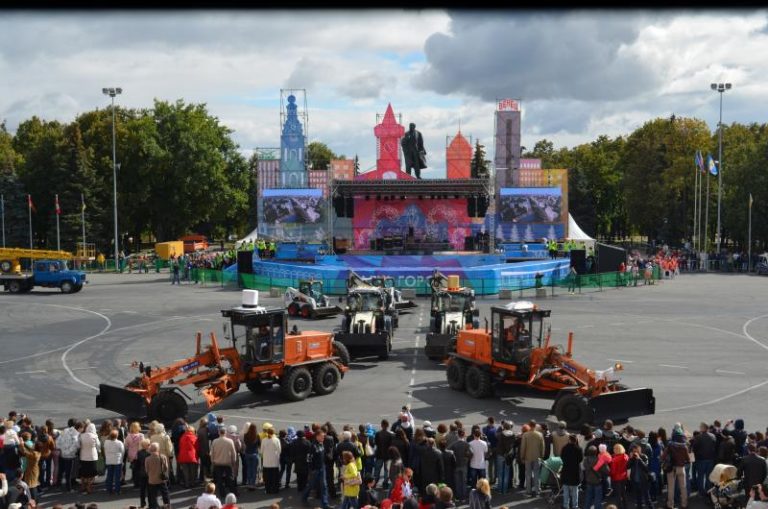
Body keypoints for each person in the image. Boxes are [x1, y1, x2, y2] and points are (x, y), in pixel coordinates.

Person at [302, 429, 331, 509]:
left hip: (322, 468)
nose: (323, 438)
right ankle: (304, 497)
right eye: (322, 436)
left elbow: (323, 455)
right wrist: (312, 469)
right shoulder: (312, 446)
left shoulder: (322, 444)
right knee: (311, 485)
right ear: (317, 436)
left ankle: (325, 504)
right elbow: (308, 459)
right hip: (315, 470)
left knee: (324, 486)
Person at [661, 428, 689, 509]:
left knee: (671, 488)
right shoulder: (684, 446)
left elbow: (663, 457)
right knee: (683, 487)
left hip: (671, 468)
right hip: (681, 468)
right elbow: (688, 459)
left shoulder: (670, 445)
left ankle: (670, 505)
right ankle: (684, 504)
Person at [211, 425, 237, 500]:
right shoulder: (230, 441)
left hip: (218, 463)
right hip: (227, 462)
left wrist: (212, 461)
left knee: (219, 479)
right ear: (225, 433)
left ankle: (222, 493)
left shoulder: (215, 441)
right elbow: (233, 453)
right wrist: (233, 461)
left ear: (219, 433)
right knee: (230, 478)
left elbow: (212, 453)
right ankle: (233, 492)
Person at [520, 422, 545, 497]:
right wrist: (542, 456)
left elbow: (523, 447)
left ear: (529, 425)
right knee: (537, 474)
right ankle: (537, 491)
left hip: (528, 457)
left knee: (528, 474)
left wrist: (522, 456)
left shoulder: (525, 435)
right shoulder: (540, 435)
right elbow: (542, 447)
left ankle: (528, 491)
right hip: (537, 457)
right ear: (535, 425)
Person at [145, 442, 171, 509]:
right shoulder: (162, 457)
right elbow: (166, 468)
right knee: (165, 493)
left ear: (150, 449)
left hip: (152, 480)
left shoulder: (147, 459)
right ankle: (167, 506)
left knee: (153, 495)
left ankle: (155, 507)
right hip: (161, 479)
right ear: (158, 449)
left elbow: (146, 470)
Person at [560, 434, 582, 509]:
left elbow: (562, 457)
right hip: (575, 472)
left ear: (569, 439)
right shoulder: (578, 449)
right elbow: (580, 459)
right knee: (575, 491)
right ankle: (575, 506)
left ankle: (565, 505)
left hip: (566, 471)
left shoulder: (565, 448)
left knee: (566, 491)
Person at [78, 422, 99, 495]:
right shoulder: (95, 436)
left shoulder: (81, 436)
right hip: (92, 457)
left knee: (84, 473)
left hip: (83, 456)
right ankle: (89, 487)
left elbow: (79, 445)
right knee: (92, 474)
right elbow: (98, 446)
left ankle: (83, 486)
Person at [103, 429, 125, 495]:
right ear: (117, 436)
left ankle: (109, 489)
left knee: (109, 475)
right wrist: (122, 459)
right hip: (117, 461)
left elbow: (104, 450)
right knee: (117, 477)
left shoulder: (106, 442)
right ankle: (117, 490)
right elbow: (123, 451)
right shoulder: (119, 443)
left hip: (109, 460)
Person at [260, 426, 281, 494]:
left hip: (266, 462)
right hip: (274, 462)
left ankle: (268, 490)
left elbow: (261, 451)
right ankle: (275, 490)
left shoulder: (264, 440)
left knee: (267, 478)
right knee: (275, 477)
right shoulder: (276, 440)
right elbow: (279, 450)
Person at [374, 419, 394, 489]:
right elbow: (392, 445)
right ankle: (385, 483)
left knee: (377, 470)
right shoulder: (391, 434)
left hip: (379, 454)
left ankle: (375, 482)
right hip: (387, 456)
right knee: (386, 470)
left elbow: (375, 443)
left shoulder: (378, 433)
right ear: (388, 425)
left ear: (381, 425)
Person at [178, 424, 199, 489]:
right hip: (192, 456)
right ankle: (192, 483)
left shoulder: (182, 437)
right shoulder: (194, 437)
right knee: (193, 470)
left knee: (185, 471)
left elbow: (180, 446)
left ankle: (187, 484)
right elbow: (197, 447)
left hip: (183, 456)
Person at [609, 443, 629, 509]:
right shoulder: (626, 456)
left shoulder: (615, 460)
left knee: (618, 495)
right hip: (624, 476)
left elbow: (613, 471)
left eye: (614, 448)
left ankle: (619, 507)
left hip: (616, 478)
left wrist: (609, 474)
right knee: (623, 493)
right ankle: (625, 506)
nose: (613, 449)